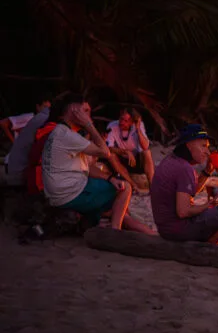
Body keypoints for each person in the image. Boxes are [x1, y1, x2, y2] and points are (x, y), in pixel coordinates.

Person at [41, 94, 151, 233]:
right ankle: (115, 233)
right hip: (70, 194)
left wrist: (110, 178)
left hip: (63, 191)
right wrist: (89, 125)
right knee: (126, 188)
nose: (88, 116)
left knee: (117, 207)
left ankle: (151, 234)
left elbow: (87, 168)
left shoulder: (61, 132)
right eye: (85, 112)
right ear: (74, 111)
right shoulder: (67, 136)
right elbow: (105, 152)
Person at [150, 124, 218, 245]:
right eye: (203, 146)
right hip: (180, 230)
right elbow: (183, 212)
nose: (208, 152)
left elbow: (189, 193)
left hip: (166, 229)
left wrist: (207, 172)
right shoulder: (184, 169)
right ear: (189, 145)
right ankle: (209, 245)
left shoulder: (171, 160)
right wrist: (208, 205)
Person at [3, 94, 53, 186]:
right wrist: (13, 141)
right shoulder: (30, 118)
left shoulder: (44, 122)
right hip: (16, 161)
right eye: (45, 107)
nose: (47, 111)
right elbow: (3, 123)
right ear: (38, 107)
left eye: (49, 108)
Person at [105, 108, 154, 188]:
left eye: (126, 121)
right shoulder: (112, 125)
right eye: (121, 119)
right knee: (111, 156)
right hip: (123, 160)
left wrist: (138, 129)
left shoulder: (138, 125)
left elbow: (145, 146)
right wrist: (126, 152)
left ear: (132, 122)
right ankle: (133, 185)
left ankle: (152, 186)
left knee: (147, 152)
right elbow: (108, 148)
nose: (121, 122)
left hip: (136, 160)